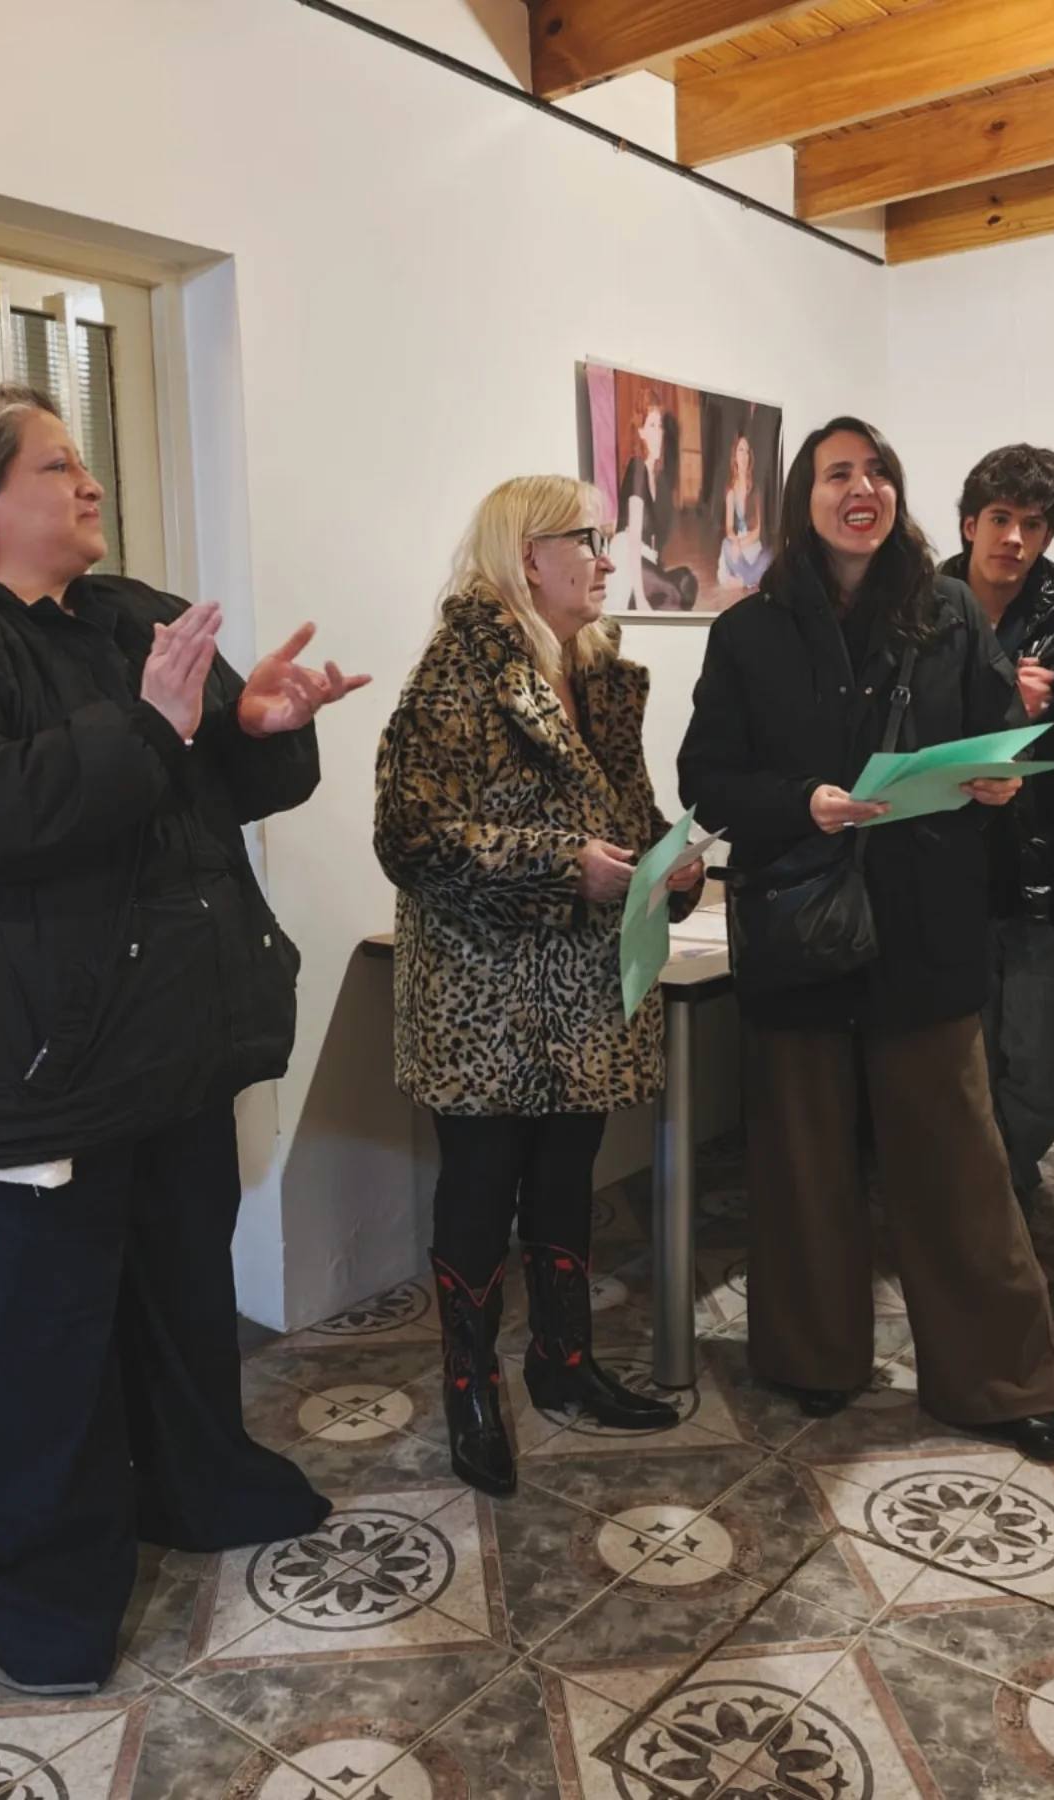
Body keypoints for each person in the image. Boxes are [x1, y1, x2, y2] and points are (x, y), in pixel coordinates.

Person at [0, 384, 369, 1694]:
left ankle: (193, 1487)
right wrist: (155, 723)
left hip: (162, 1055)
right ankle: (29, 1605)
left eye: (84, 461)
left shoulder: (132, 619)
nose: (91, 482)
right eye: (57, 466)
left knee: (178, 1305)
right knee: (32, 1352)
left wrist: (263, 730)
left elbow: (209, 787)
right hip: (14, 1076)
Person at [678, 416, 1054, 1463]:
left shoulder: (947, 612)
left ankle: (997, 1378)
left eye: (879, 470)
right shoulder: (749, 633)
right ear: (803, 499)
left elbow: (997, 745)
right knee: (804, 1160)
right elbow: (707, 780)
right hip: (799, 924)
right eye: (839, 472)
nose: (864, 487)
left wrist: (997, 783)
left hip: (925, 928)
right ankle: (814, 1356)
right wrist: (802, 802)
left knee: (958, 1165)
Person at [374, 475, 705, 1496]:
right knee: (479, 1191)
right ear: (528, 556)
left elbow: (629, 811)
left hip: (581, 993)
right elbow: (410, 838)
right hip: (483, 999)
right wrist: (564, 867)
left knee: (567, 1178)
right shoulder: (458, 672)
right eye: (588, 539)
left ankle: (563, 1364)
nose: (608, 558)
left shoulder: (594, 672)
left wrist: (670, 863)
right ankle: (470, 1392)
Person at [939, 445, 1054, 1212]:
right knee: (955, 1058)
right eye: (999, 518)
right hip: (944, 868)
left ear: (1048, 535)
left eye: (1031, 524)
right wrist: (1002, 704)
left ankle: (997, 1186)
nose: (1013, 538)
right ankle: (983, 1198)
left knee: (1040, 1065)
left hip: (1045, 874)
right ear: (970, 523)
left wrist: (1050, 712)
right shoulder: (917, 612)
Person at [617, 392, 696, 612]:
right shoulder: (637, 468)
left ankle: (649, 604)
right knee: (674, 594)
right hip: (628, 561)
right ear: (641, 432)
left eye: (660, 426)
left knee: (688, 581)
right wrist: (641, 596)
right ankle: (636, 603)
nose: (658, 433)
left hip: (647, 560)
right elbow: (633, 540)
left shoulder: (658, 478)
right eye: (651, 426)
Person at [716, 432, 772, 592]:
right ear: (734, 456)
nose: (744, 455)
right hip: (737, 546)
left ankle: (743, 581)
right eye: (740, 450)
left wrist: (740, 545)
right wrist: (735, 543)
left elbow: (758, 531)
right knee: (726, 545)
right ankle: (753, 578)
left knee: (770, 555)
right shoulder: (730, 490)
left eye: (747, 451)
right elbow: (729, 528)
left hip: (751, 543)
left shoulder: (756, 490)